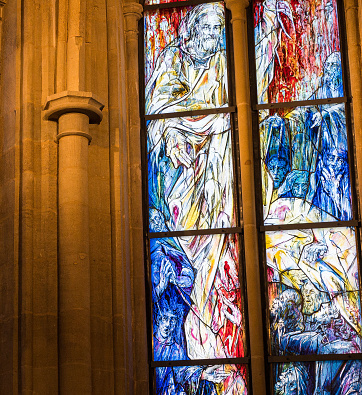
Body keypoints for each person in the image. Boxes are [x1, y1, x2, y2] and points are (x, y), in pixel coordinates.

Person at [146, 6, 245, 383]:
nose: (214, 36)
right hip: (182, 174)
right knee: (191, 248)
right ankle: (199, 340)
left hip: (219, 172)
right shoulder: (174, 58)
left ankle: (214, 340)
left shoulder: (224, 64)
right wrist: (171, 135)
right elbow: (158, 108)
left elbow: (235, 111)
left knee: (218, 249)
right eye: (208, 28)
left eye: (219, 29)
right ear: (191, 29)